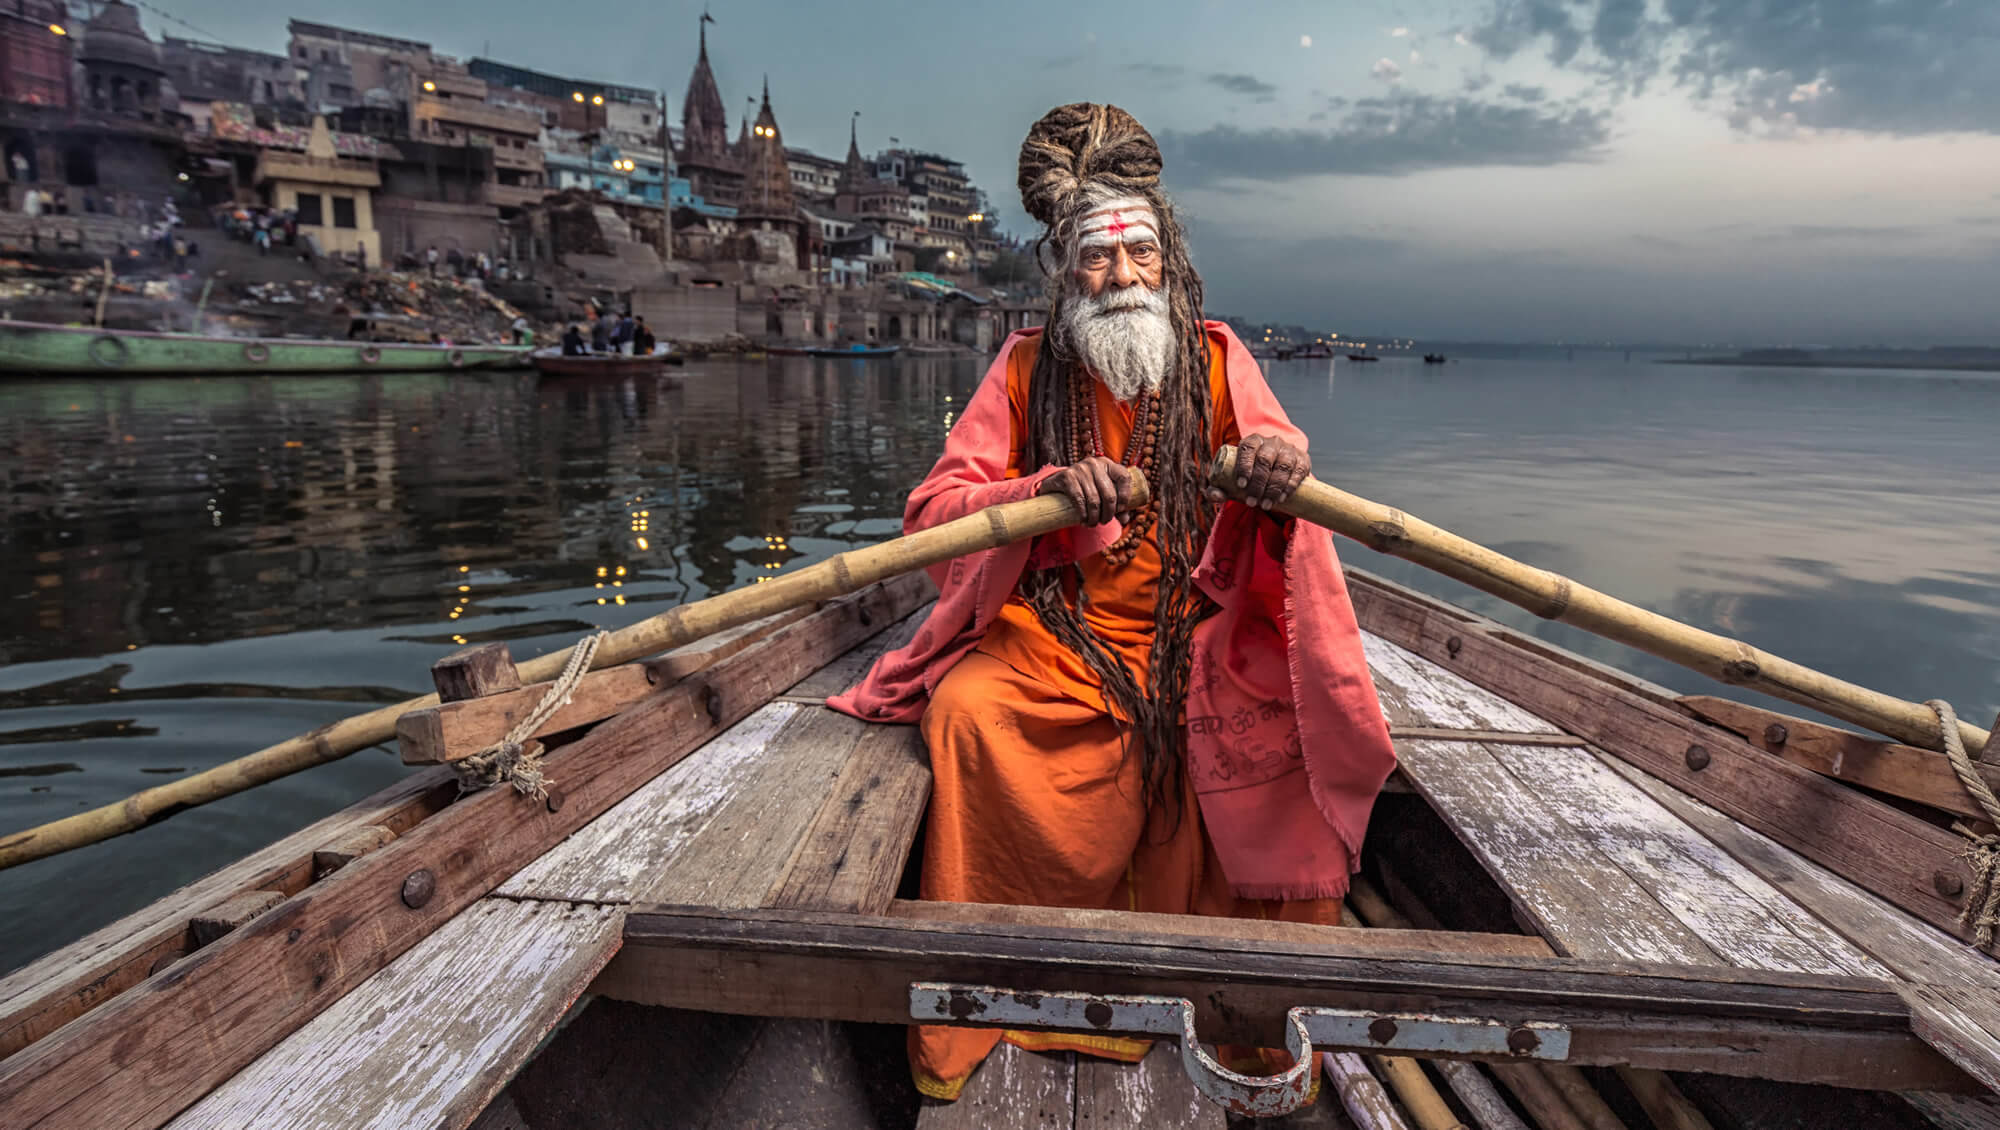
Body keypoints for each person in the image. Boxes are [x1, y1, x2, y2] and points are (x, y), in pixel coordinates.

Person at [829, 103, 1397, 1102]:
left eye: (1139, 252)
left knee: (1286, 725)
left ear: (1168, 258)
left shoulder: (1218, 359)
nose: (1121, 276)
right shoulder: (1019, 369)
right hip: (1057, 637)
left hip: (1200, 634)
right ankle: (1008, 996)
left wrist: (1276, 459)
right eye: (1096, 257)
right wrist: (1037, 494)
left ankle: (1242, 1009)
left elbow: (1285, 458)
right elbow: (932, 514)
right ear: (1061, 266)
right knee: (966, 713)